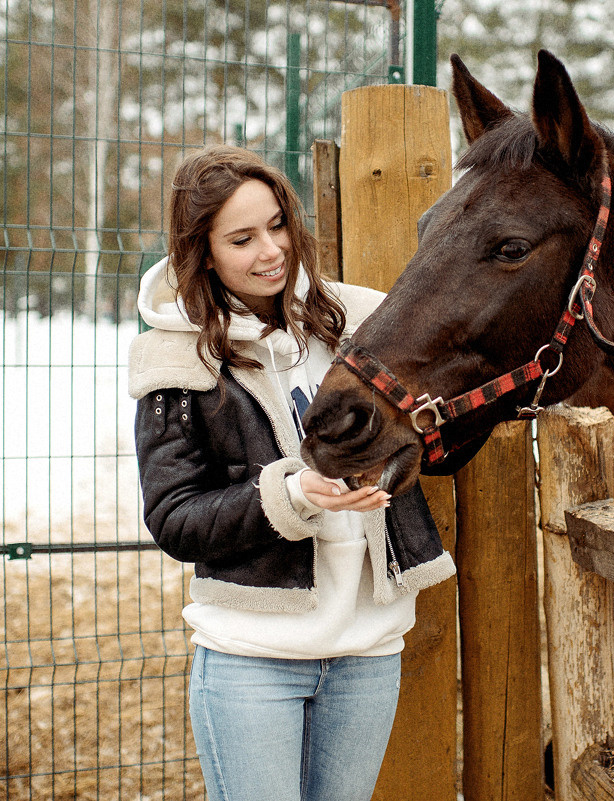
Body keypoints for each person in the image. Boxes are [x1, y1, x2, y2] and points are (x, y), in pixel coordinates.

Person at [128, 144, 454, 801]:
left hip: (366, 649)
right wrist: (291, 493)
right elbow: (174, 518)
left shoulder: (356, 322)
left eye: (278, 224)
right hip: (253, 659)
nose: (271, 250)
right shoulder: (174, 357)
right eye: (242, 238)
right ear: (205, 251)